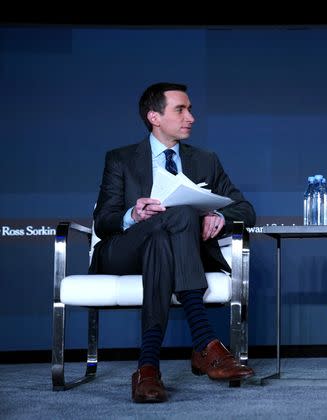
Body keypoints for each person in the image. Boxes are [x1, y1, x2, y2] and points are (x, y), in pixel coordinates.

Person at [89, 82, 256, 403]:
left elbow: (246, 210)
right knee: (179, 216)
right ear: (154, 116)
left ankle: (148, 367)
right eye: (181, 109)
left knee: (170, 231)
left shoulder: (206, 160)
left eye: (190, 109)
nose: (190, 117)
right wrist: (132, 214)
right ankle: (205, 343)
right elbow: (104, 220)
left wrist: (220, 216)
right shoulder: (121, 159)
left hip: (170, 252)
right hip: (125, 250)